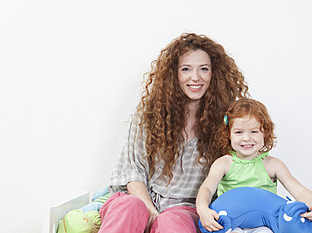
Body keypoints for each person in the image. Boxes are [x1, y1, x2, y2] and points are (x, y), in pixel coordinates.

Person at [98, 33, 249, 233]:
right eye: (186, 69)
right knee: (130, 206)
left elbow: (243, 164)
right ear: (173, 73)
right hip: (139, 198)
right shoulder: (149, 115)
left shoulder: (227, 121)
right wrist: (150, 211)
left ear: (214, 74)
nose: (195, 77)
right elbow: (134, 169)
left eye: (204, 69)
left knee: (171, 222)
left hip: (184, 209)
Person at [196, 98, 312, 233]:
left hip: (263, 224)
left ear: (265, 132)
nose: (246, 138)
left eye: (254, 131)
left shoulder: (273, 165)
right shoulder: (223, 163)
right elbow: (207, 188)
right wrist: (203, 208)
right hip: (231, 223)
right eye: (239, 132)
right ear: (229, 134)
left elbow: (298, 190)